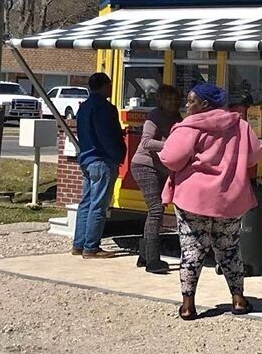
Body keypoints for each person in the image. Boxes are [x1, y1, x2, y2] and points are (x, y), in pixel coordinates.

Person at [159, 83, 262, 320]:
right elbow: (254, 155)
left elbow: (172, 159)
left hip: (193, 198)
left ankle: (188, 306)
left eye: (191, 101)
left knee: (192, 250)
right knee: (229, 248)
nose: (186, 105)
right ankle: (238, 300)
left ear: (204, 104)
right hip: (230, 198)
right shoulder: (241, 125)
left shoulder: (189, 127)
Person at [72, 72, 126, 259]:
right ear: (104, 86)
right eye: (109, 84)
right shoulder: (105, 108)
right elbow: (107, 136)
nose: (111, 88)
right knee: (99, 205)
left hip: (87, 158)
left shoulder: (84, 107)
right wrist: (118, 154)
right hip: (102, 159)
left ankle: (78, 244)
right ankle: (91, 247)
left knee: (86, 203)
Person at [130, 84, 181, 274]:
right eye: (168, 99)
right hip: (144, 165)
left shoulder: (177, 118)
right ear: (159, 100)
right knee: (156, 210)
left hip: (162, 168)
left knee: (157, 210)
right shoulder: (154, 116)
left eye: (175, 99)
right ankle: (153, 261)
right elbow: (146, 142)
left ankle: (144, 255)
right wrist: (169, 144)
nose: (172, 102)